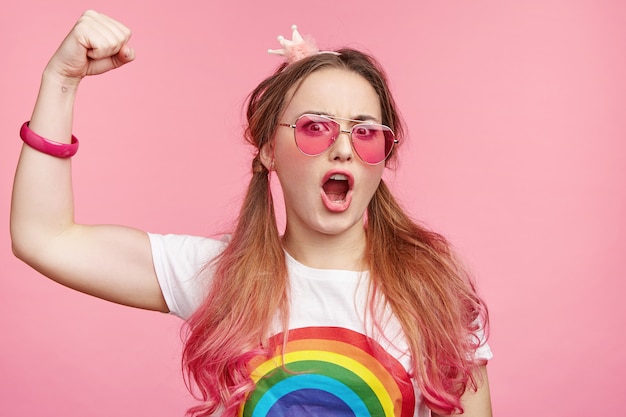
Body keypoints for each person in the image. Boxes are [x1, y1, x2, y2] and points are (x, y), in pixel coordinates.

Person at [10, 10, 493, 417]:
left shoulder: (433, 292)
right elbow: (44, 237)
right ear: (268, 150)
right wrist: (62, 80)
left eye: (365, 132)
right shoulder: (224, 279)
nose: (343, 148)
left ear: (384, 156)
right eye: (315, 127)